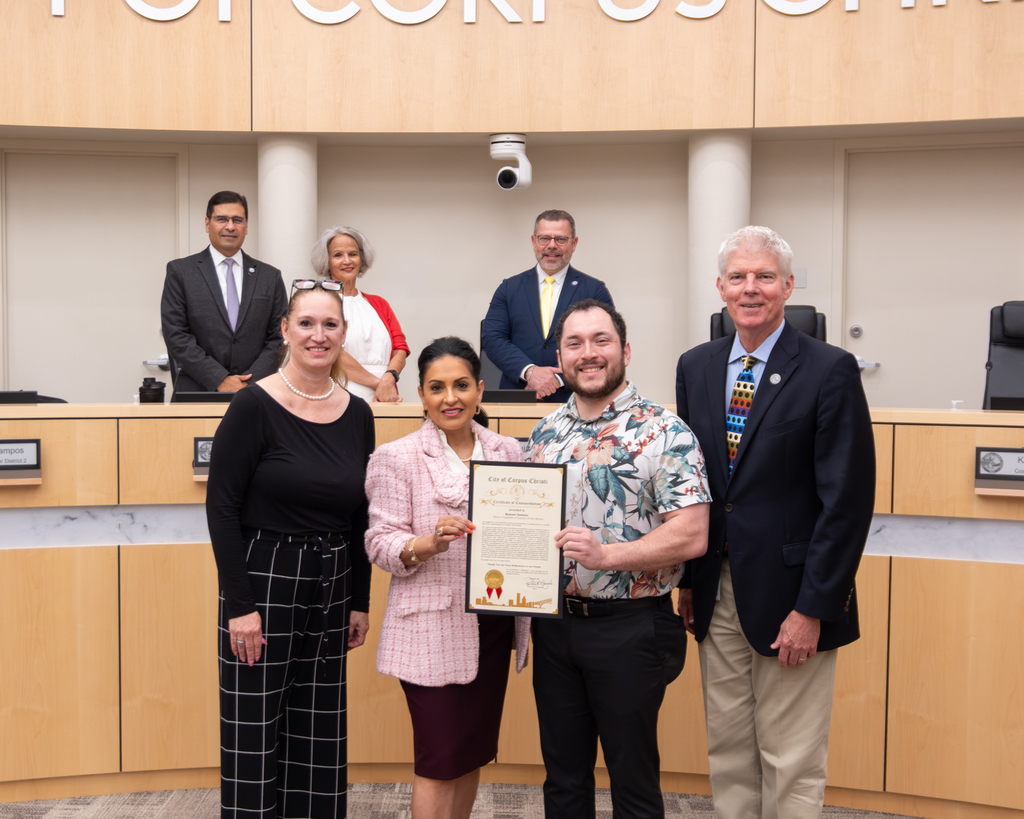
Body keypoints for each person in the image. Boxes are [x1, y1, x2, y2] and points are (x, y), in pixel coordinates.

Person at [674, 226, 876, 819]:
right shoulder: (696, 367)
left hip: (795, 595)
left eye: (764, 276)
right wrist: (689, 579)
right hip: (718, 591)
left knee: (791, 760)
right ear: (720, 288)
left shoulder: (829, 369)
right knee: (730, 753)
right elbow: (699, 487)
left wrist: (815, 608)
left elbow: (847, 502)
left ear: (788, 286)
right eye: (737, 277)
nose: (750, 288)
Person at [527, 299, 711, 819]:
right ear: (559, 358)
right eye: (575, 343)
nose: (589, 354)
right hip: (556, 626)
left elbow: (692, 534)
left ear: (624, 350)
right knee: (562, 777)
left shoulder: (665, 432)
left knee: (632, 783)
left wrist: (607, 555)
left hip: (632, 629)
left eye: (601, 341)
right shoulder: (544, 435)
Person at [206, 279, 374, 819]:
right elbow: (222, 510)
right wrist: (240, 608)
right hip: (265, 579)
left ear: (343, 334)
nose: (318, 335)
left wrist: (359, 600)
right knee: (255, 734)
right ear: (285, 330)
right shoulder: (252, 406)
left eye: (330, 325)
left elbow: (360, 516)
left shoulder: (357, 414)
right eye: (306, 323)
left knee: (318, 729)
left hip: (333, 579)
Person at [364, 336, 531, 819]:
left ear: (480, 390)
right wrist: (427, 544)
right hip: (431, 629)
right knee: (438, 761)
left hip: (493, 621)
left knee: (470, 753)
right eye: (437, 387)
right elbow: (380, 542)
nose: (450, 398)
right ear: (421, 394)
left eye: (461, 385)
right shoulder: (397, 457)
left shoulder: (509, 452)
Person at [481, 209, 614, 403]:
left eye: (561, 239)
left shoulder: (594, 290)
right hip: (517, 398)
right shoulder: (508, 288)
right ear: (534, 242)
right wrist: (530, 372)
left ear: (574, 243)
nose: (552, 246)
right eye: (544, 238)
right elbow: (492, 338)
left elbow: (605, 344)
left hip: (578, 400)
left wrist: (557, 380)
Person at [161, 191, 288, 393]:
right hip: (198, 390)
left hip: (259, 392)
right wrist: (219, 379)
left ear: (246, 226)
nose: (230, 226)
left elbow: (280, 337)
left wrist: (249, 383)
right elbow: (176, 334)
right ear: (207, 223)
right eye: (221, 219)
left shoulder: (270, 277)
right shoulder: (181, 272)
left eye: (237, 220)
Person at [312, 226, 409, 403]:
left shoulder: (379, 304)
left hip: (386, 397)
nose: (347, 261)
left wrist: (389, 378)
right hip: (340, 396)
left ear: (361, 259)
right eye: (338, 255)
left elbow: (400, 348)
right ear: (327, 262)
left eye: (353, 254)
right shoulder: (320, 302)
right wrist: (379, 385)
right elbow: (330, 351)